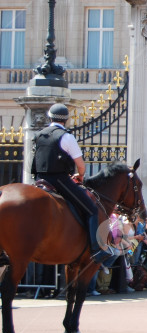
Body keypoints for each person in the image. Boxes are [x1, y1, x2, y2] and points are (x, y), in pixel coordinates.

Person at [31, 103, 110, 264]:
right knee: (92, 209)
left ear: (49, 117)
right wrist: (80, 175)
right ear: (66, 120)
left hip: (39, 179)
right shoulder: (66, 136)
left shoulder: (39, 135)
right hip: (59, 180)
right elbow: (80, 165)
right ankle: (96, 250)